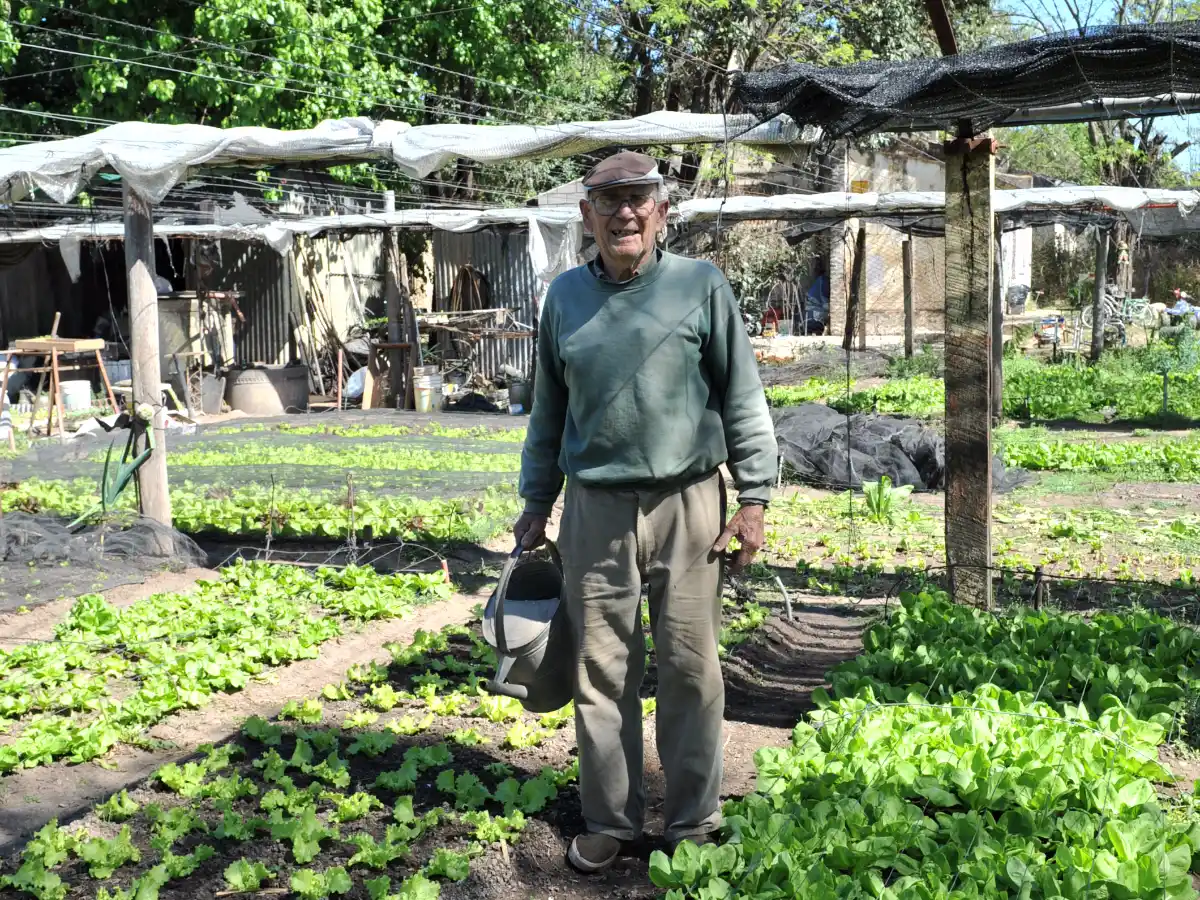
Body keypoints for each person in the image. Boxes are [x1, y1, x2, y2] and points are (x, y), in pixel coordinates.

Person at [513, 150, 778, 874]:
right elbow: (548, 412)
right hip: (595, 509)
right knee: (601, 672)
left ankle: (693, 822)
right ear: (587, 215)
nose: (625, 213)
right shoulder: (565, 298)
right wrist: (536, 501)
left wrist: (754, 497)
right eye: (610, 200)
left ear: (662, 212)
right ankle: (611, 821)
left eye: (639, 199)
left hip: (690, 505)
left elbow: (742, 395)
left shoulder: (700, 285)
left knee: (691, 668)